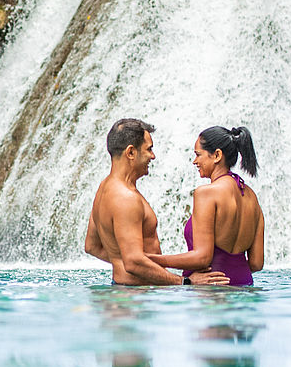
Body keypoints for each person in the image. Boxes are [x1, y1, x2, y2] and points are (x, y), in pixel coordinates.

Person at [84, 118, 228, 286]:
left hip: (123, 291)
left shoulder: (104, 188)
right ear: (131, 152)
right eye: (149, 149)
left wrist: (120, 262)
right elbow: (133, 262)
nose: (153, 156)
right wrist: (184, 282)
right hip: (136, 296)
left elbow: (92, 246)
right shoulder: (126, 198)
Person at [148, 126, 265, 286]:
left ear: (217, 155)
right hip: (245, 286)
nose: (195, 161)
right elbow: (256, 263)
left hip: (211, 290)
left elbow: (202, 258)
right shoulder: (252, 197)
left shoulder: (207, 193)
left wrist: (151, 260)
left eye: (198, 154)